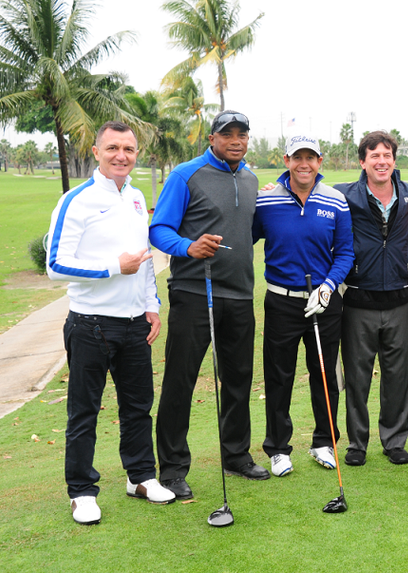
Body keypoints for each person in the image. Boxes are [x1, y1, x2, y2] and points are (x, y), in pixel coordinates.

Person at [46, 121, 174, 525]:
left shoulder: (136, 197)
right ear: (98, 151)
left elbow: (145, 259)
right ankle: (82, 491)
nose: (122, 155)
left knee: (138, 407)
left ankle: (140, 476)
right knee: (84, 411)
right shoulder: (77, 199)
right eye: (114, 148)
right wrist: (111, 268)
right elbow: (55, 264)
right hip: (90, 323)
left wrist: (152, 304)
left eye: (129, 149)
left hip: (135, 323)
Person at [149, 110, 268, 500]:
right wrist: (188, 247)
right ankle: (171, 468)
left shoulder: (250, 179)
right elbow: (160, 229)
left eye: (242, 134)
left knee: (238, 380)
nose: (235, 140)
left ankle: (235, 455)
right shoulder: (186, 174)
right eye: (227, 134)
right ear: (212, 138)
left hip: (239, 295)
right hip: (194, 293)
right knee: (180, 381)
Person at [253, 134, 354, 477]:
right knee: (279, 375)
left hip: (324, 301)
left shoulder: (336, 201)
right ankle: (278, 448)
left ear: (319, 162)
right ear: (287, 160)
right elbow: (245, 235)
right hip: (281, 300)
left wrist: (328, 287)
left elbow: (345, 252)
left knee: (325, 373)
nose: (304, 164)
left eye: (311, 158)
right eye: (298, 157)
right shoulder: (265, 201)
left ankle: (324, 441)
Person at [334, 131, 408, 467]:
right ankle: (357, 442)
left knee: (397, 374)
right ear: (362, 162)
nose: (381, 161)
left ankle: (394, 440)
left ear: (393, 161)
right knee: (357, 374)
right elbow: (307, 194)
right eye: (374, 156)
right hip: (358, 300)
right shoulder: (344, 196)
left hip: (399, 299)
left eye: (387, 155)